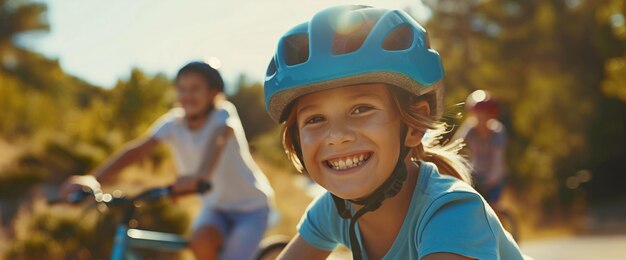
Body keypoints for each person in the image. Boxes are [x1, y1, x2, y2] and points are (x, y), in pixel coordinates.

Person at [262, 5, 528, 260]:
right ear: (296, 139)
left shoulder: (452, 211)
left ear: (414, 125)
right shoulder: (335, 209)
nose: (336, 135)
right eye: (315, 118)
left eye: (361, 109)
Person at [61, 61, 275, 260]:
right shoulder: (173, 123)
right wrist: (92, 179)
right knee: (200, 243)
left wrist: (199, 176)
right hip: (215, 207)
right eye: (182, 89)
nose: (186, 95)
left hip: (250, 208)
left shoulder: (223, 114)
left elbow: (217, 143)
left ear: (213, 93)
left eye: (195, 89)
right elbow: (137, 150)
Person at [453, 90, 507, 206]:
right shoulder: (470, 128)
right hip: (475, 174)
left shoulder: (497, 131)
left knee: (492, 208)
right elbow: (455, 147)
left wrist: (491, 181)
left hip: (494, 177)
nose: (480, 118)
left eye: (484, 114)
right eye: (477, 114)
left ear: (491, 115)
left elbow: (498, 160)